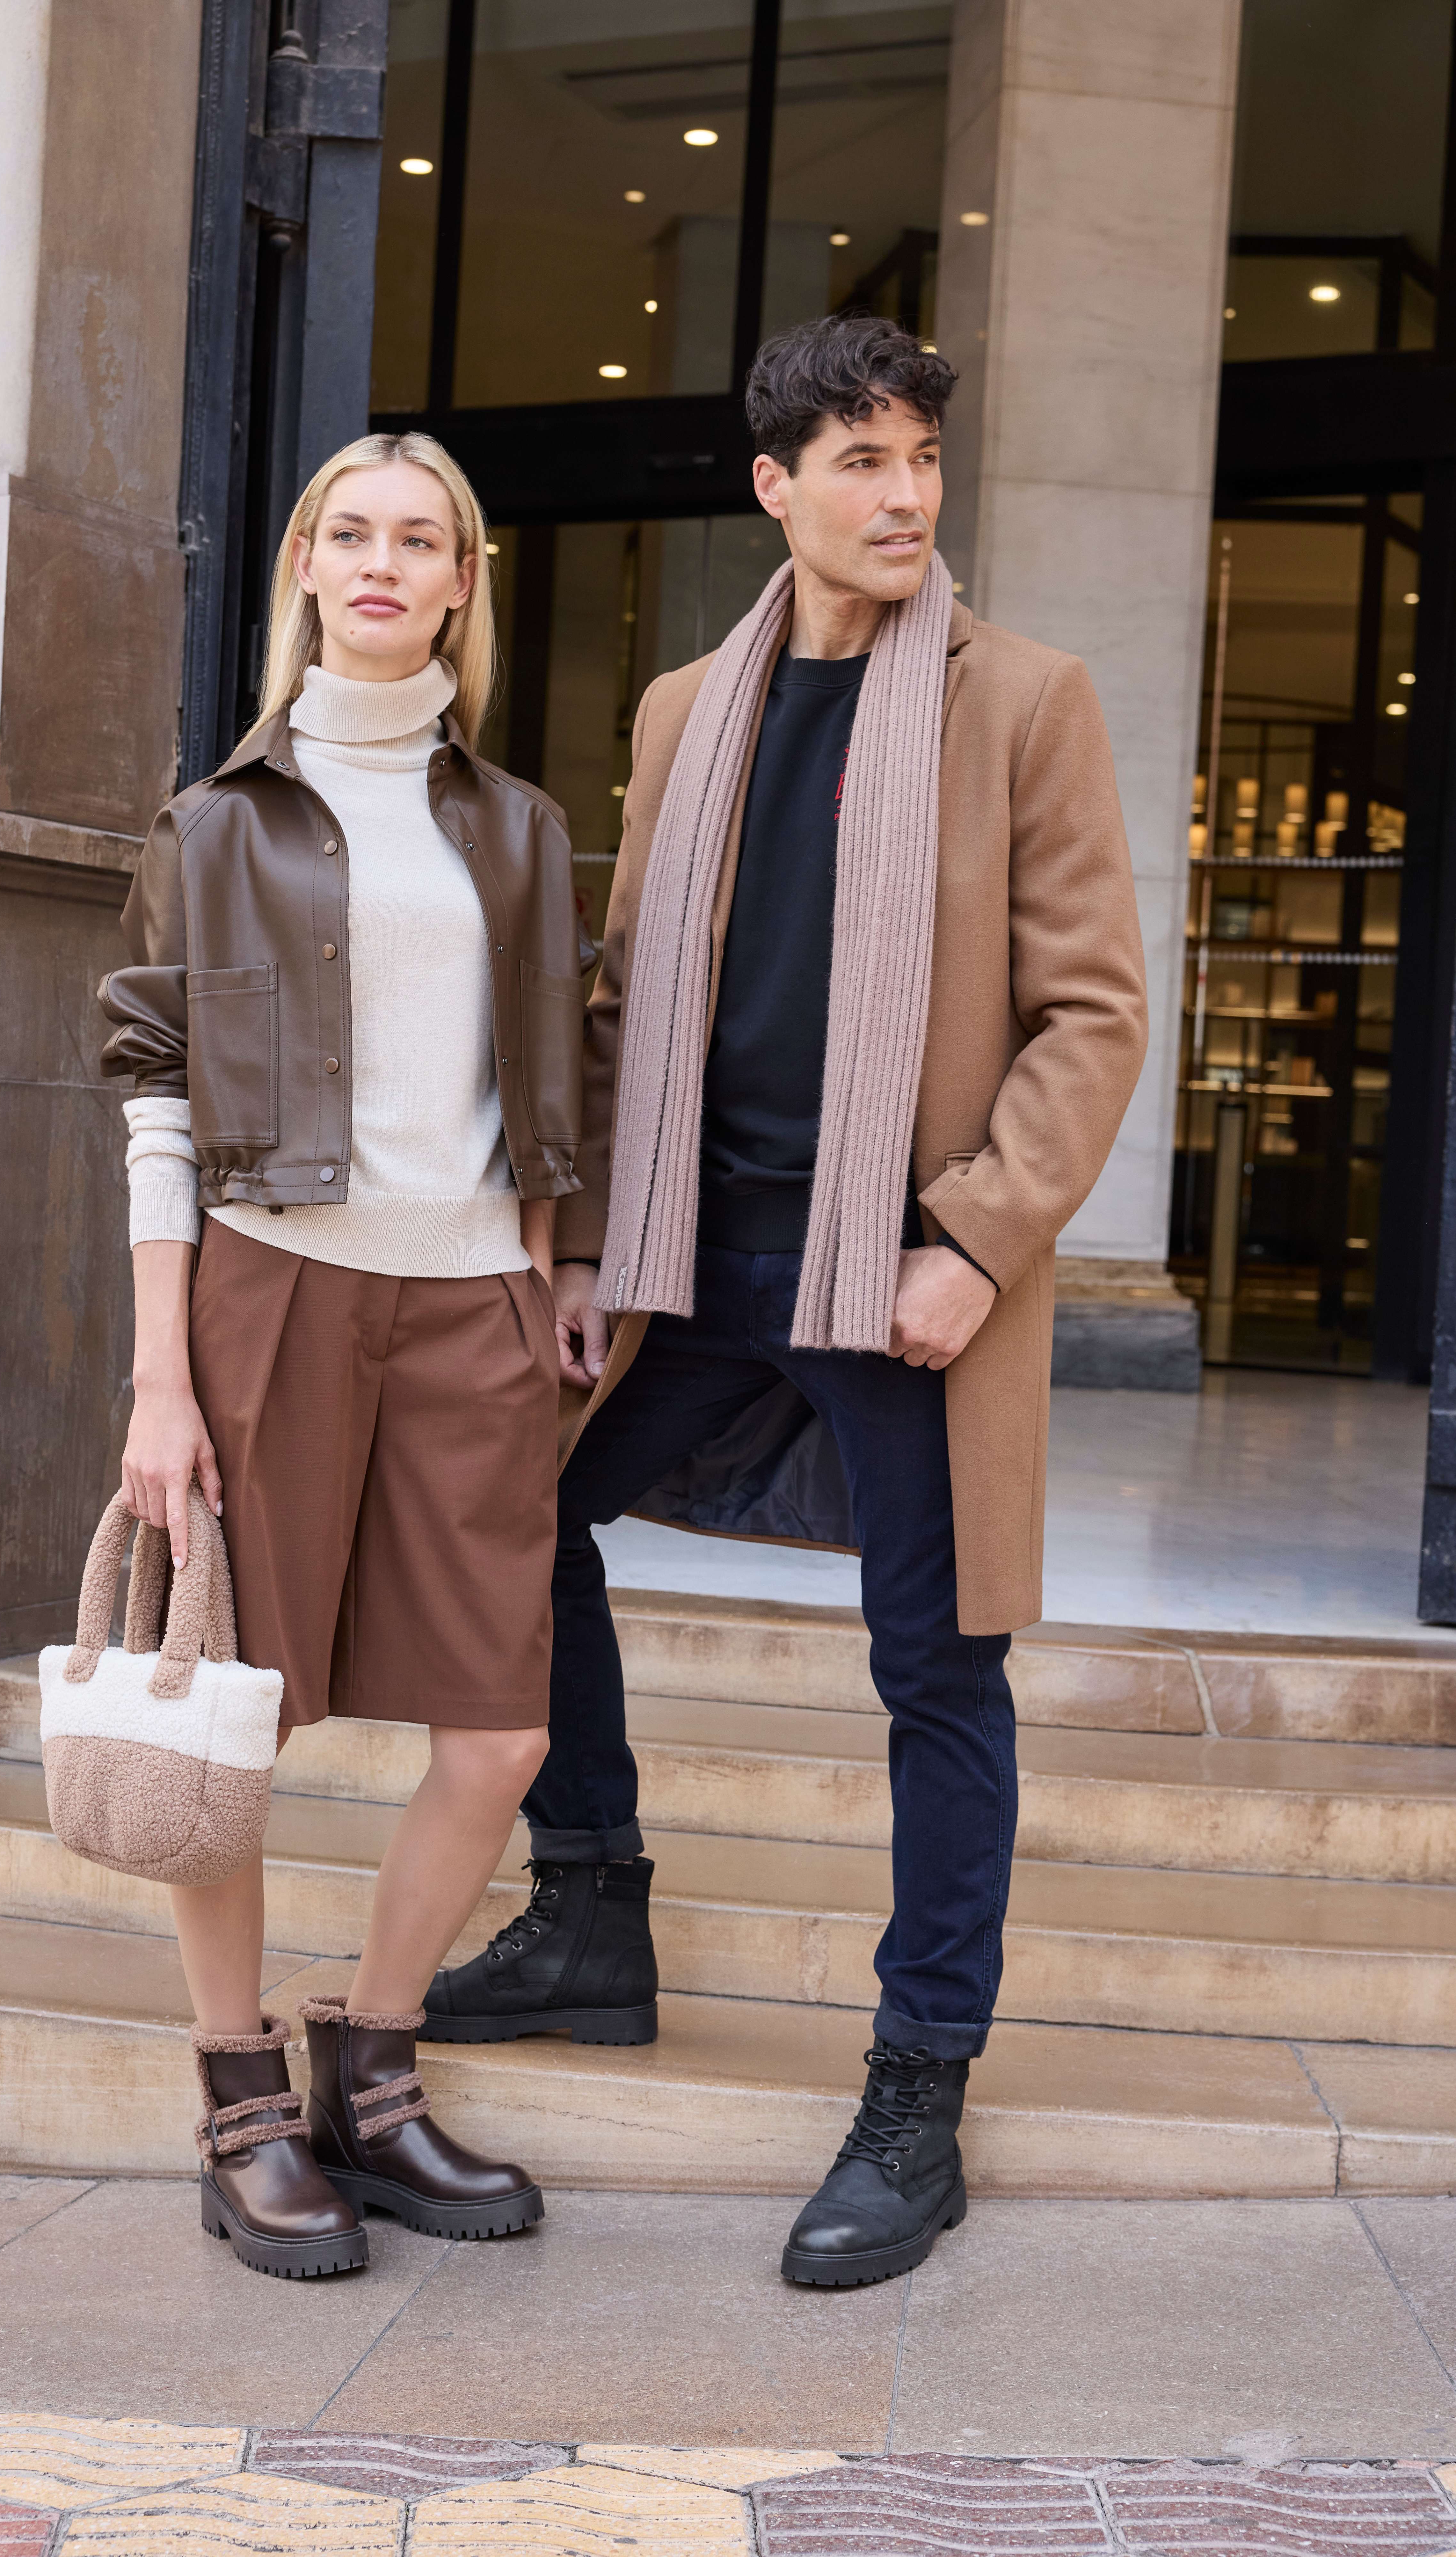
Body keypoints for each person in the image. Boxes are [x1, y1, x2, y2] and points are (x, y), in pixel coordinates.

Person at [424, 314, 1150, 2290]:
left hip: (894, 1273)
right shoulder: (689, 708)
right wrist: (586, 1243)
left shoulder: (1025, 700)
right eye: (860, 461)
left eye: (920, 458)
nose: (904, 496)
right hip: (692, 1260)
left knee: (939, 1669)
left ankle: (918, 2087)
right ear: (775, 488)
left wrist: (974, 1240)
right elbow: (618, 996)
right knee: (515, 1524)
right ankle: (591, 1909)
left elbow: (1092, 1014)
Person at [98, 430, 583, 2280]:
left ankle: (370, 2075)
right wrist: (161, 1379)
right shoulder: (215, 821)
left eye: (421, 540)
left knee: (502, 1728)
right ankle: (239, 2101)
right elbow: (156, 1104)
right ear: (306, 563)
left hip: (471, 1304)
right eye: (352, 533)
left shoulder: (517, 825)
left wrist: (547, 1270)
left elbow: (554, 1075)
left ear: (463, 581)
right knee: (231, 1716)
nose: (384, 564)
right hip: (267, 1292)